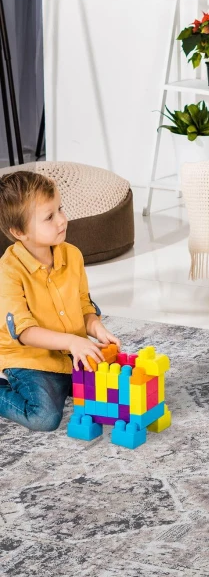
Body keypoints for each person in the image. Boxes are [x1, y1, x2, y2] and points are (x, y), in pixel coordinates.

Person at [0, 171, 120, 431]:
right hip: (30, 359)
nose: (62, 220)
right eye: (49, 217)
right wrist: (73, 341)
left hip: (70, 352)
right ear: (19, 231)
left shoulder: (72, 255)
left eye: (60, 209)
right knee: (45, 418)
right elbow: (25, 332)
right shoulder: (9, 271)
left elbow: (84, 305)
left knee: (110, 396)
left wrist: (97, 329)